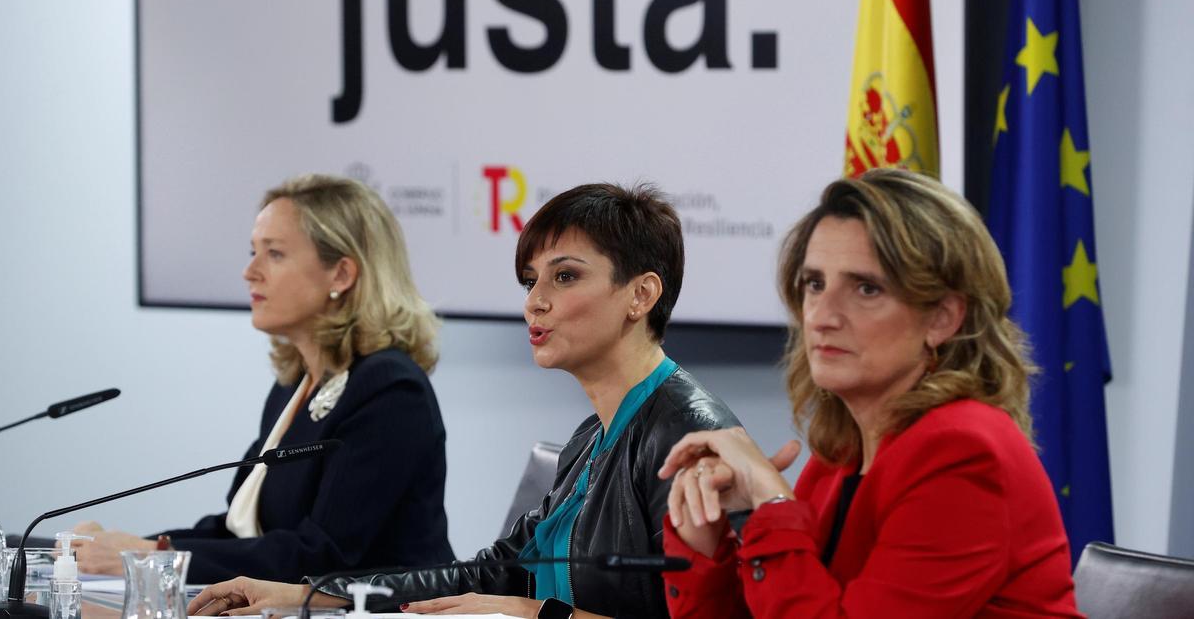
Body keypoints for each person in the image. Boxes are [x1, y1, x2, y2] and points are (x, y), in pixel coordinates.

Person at [188, 183, 742, 619]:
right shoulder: (594, 434)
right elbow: (491, 574)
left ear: (642, 295)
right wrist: (310, 594)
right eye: (530, 282)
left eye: (565, 277)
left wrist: (535, 613)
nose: (536, 303)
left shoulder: (688, 436)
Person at [658, 169, 1081, 617]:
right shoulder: (840, 455)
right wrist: (705, 541)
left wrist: (773, 502)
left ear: (941, 319)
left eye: (866, 288)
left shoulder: (962, 452)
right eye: (815, 284)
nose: (822, 316)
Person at [68, 174, 454, 583]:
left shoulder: (391, 391)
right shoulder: (294, 385)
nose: (250, 272)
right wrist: (131, 548)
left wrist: (146, 557)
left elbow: (324, 555)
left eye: (274, 254)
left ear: (341, 275)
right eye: (253, 252)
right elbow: (242, 531)